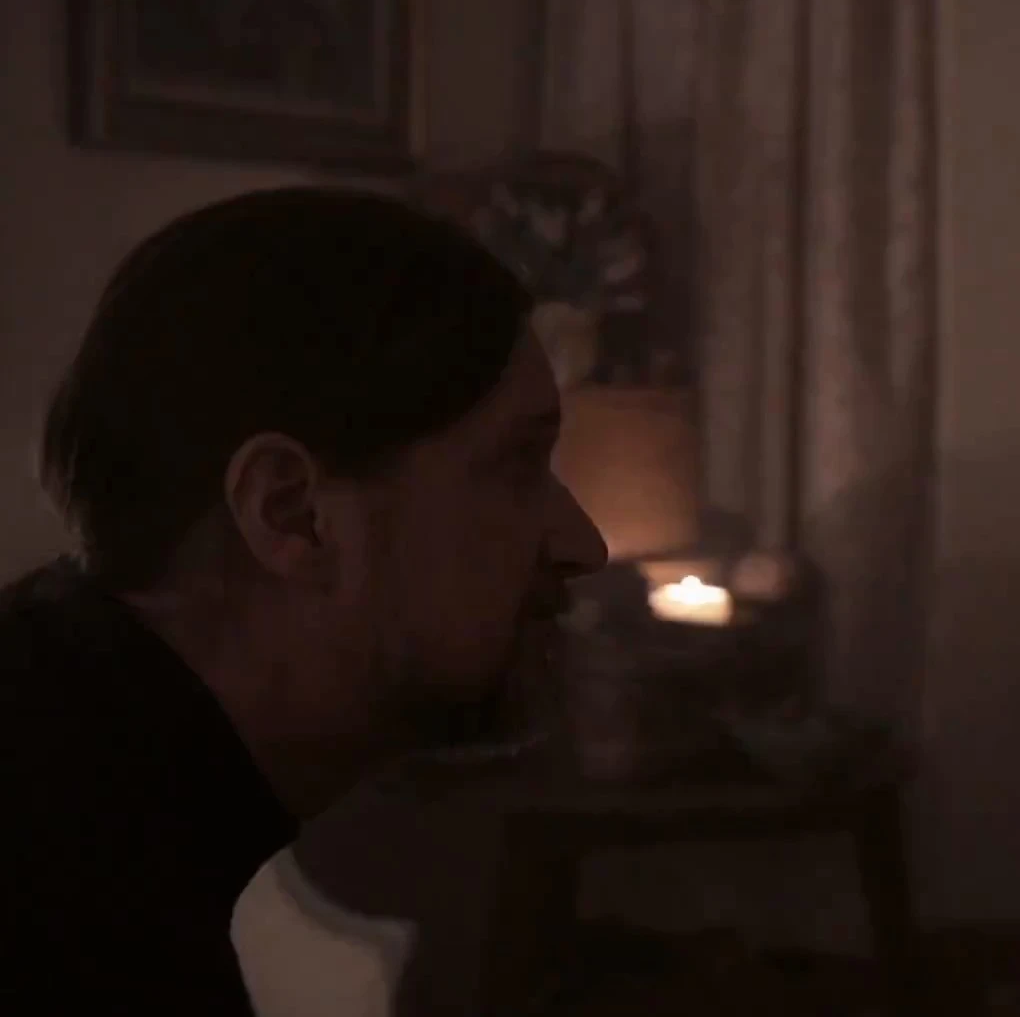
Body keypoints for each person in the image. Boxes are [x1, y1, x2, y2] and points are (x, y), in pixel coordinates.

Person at [0, 187, 608, 1014]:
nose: (584, 545)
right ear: (291, 513)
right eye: (517, 465)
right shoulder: (70, 913)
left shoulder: (83, 784)